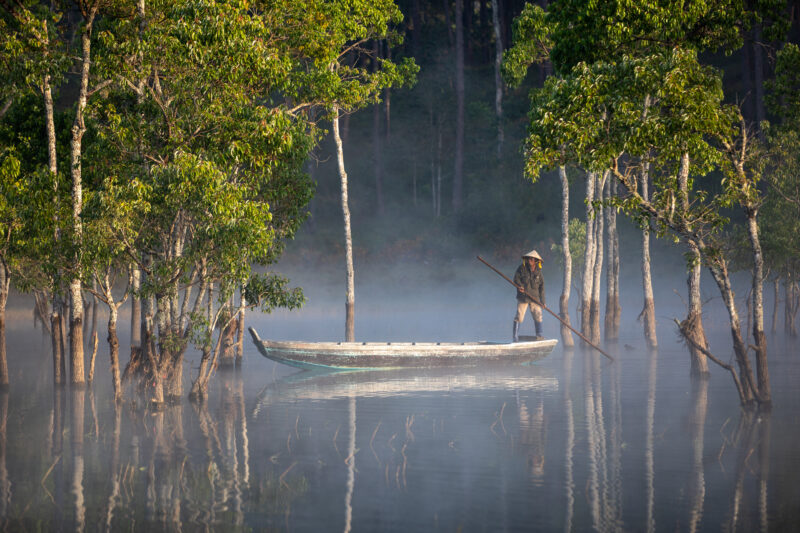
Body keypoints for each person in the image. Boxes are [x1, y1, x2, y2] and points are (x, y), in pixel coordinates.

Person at [513, 249, 545, 342]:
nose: (529, 260)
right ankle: (515, 336)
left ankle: (539, 335)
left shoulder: (539, 272)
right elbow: (516, 279)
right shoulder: (521, 268)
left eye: (531, 259)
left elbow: (542, 287)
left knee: (538, 315)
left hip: (535, 298)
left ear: (535, 261)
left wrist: (543, 302)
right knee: (519, 316)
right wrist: (520, 286)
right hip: (523, 297)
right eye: (528, 259)